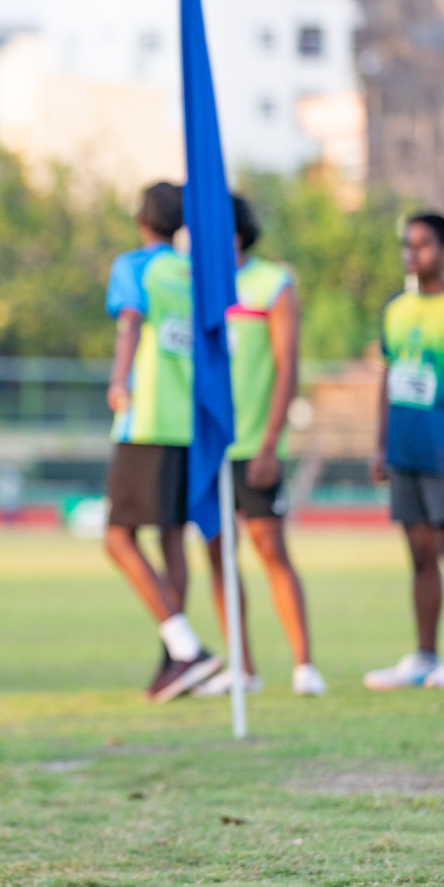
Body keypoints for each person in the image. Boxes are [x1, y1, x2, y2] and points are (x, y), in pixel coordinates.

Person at [195, 195, 325, 697]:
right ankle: (242, 668)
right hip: (209, 445)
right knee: (216, 553)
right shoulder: (197, 285)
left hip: (256, 442)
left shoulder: (273, 285)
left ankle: (304, 665)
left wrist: (271, 442)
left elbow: (287, 365)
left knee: (271, 547)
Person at [103, 181, 222, 703]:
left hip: (146, 418)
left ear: (140, 219)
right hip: (184, 422)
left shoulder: (135, 266)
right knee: (171, 537)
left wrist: (119, 380)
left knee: (118, 537)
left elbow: (130, 325)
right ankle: (175, 662)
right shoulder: (193, 274)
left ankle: (185, 649)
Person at [365, 212, 444, 691]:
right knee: (418, 554)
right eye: (407, 246)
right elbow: (386, 379)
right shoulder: (396, 308)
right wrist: (379, 444)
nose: (413, 255)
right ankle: (424, 656)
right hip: (405, 450)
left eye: (424, 245)